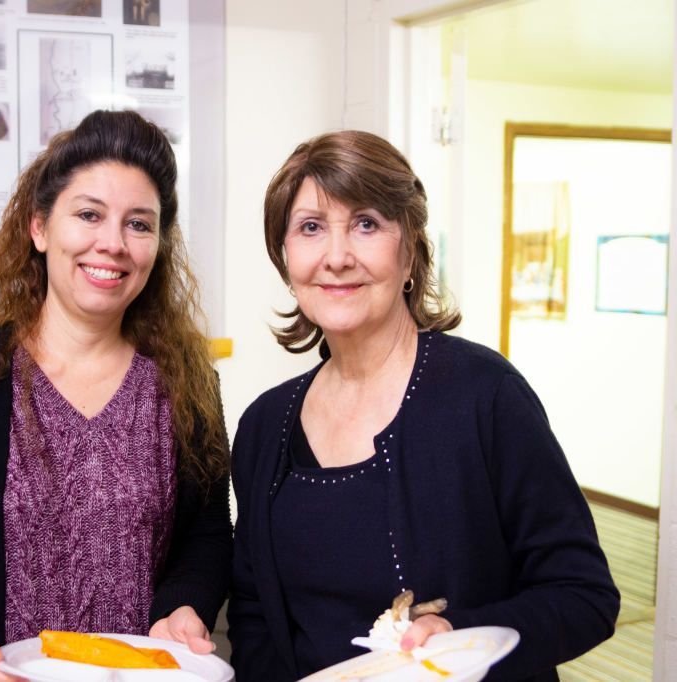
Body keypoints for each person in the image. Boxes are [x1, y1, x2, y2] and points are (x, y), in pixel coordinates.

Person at [226, 130, 619, 681]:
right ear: (285, 256)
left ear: (408, 248)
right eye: (311, 228)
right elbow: (254, 615)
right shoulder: (264, 426)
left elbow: (585, 595)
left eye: (366, 223)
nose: (336, 257)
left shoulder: (485, 395)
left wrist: (463, 635)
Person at [0, 110, 231, 682]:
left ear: (159, 244)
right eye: (88, 215)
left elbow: (208, 538)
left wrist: (183, 605)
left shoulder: (187, 383)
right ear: (39, 228)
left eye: (139, 224)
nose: (112, 244)